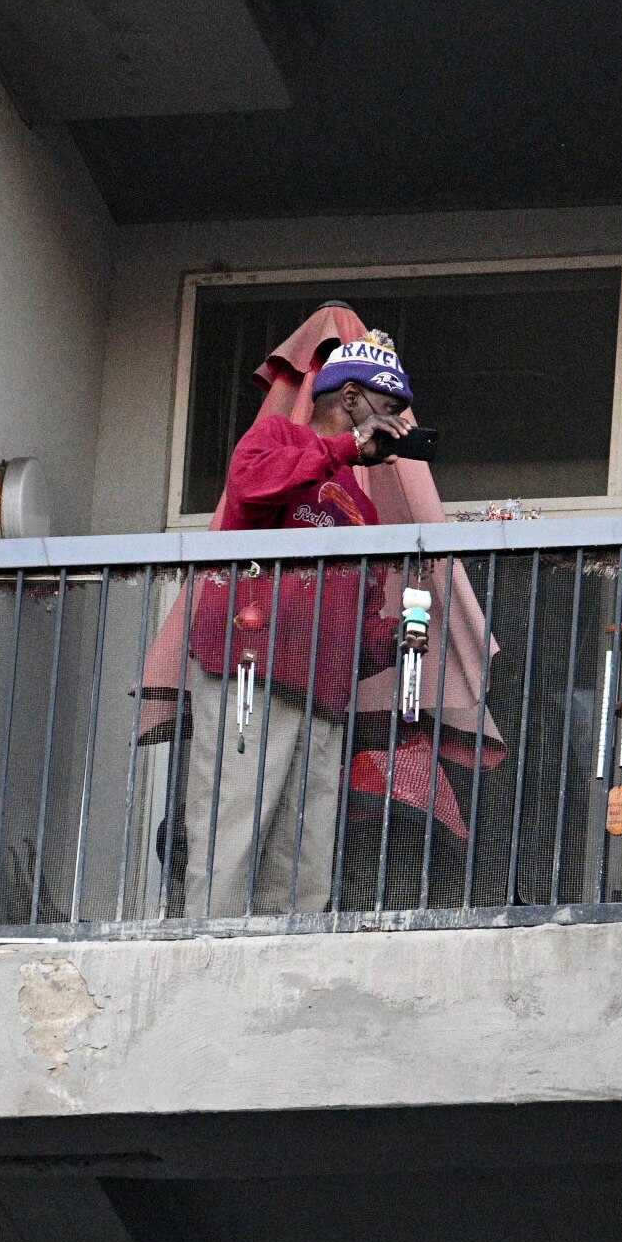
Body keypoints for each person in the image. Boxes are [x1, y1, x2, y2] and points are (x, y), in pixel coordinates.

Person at [181, 323, 419, 918]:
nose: (397, 429)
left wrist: (398, 641)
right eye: (389, 410)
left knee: (304, 862)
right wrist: (343, 449)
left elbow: (361, 625)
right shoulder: (274, 437)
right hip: (249, 669)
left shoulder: (362, 510)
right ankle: (209, 968)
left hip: (324, 695)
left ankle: (282, 983)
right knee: (231, 831)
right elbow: (250, 484)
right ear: (350, 400)